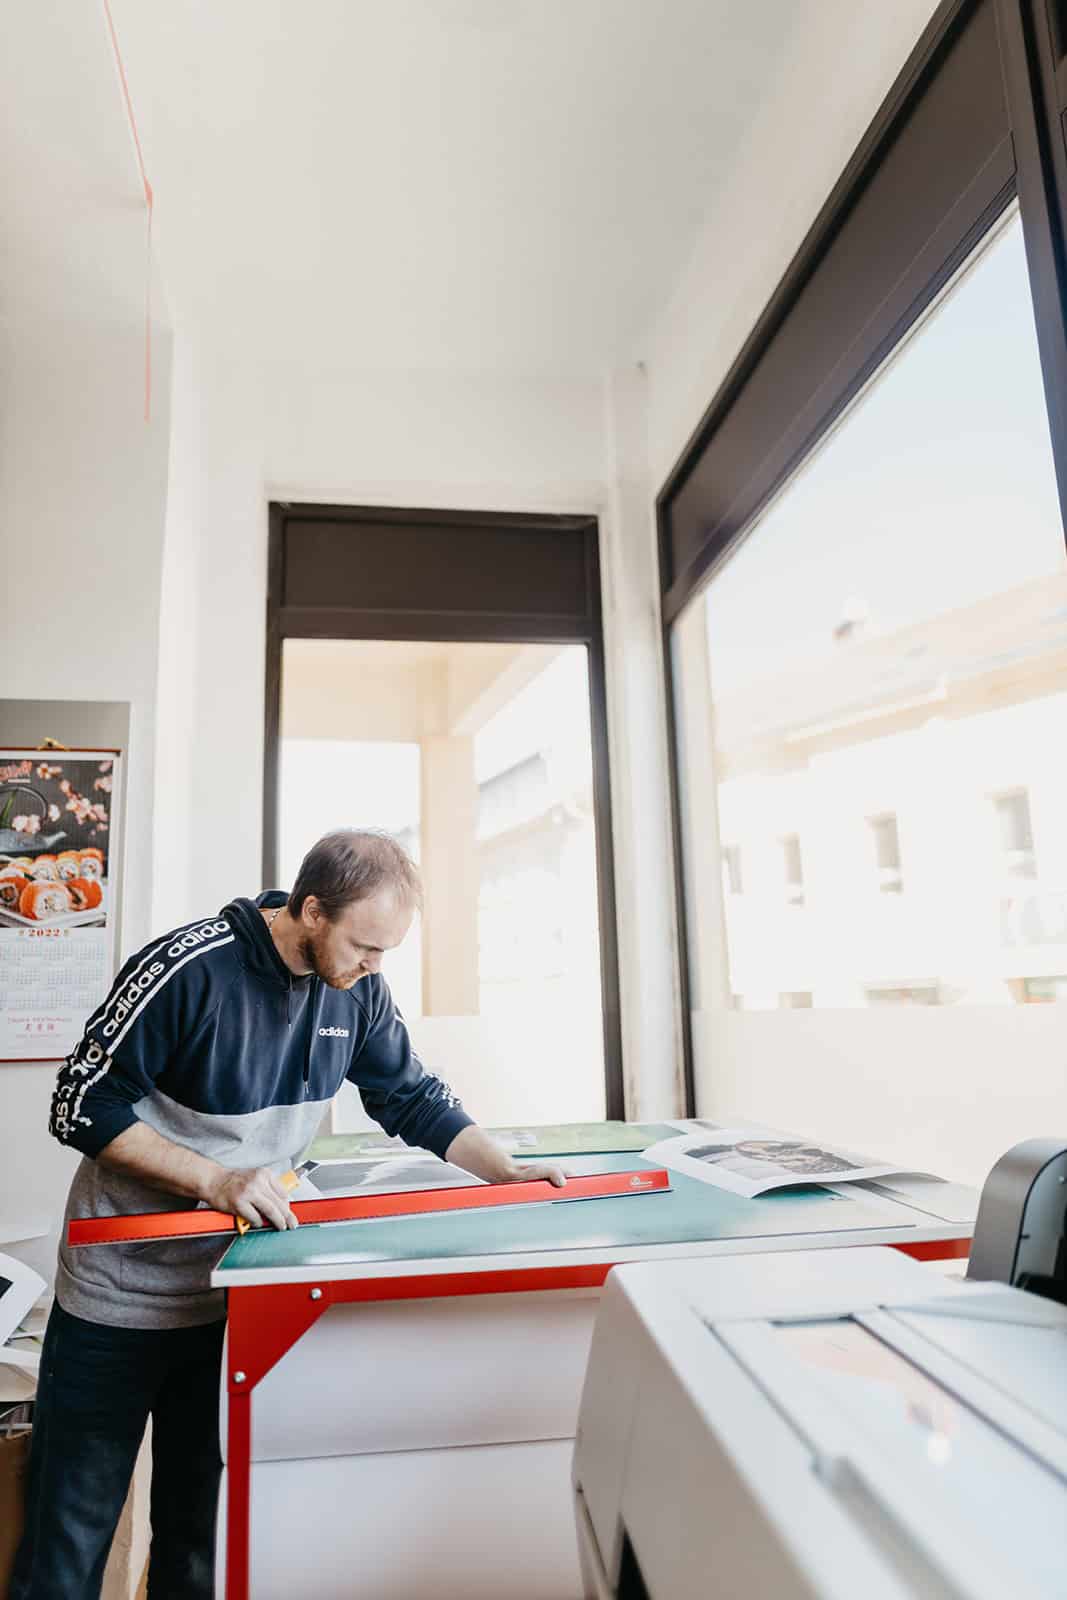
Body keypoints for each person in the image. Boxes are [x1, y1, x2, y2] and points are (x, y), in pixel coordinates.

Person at [11, 829, 564, 1599]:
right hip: (118, 1300)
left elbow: (407, 1095)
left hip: (235, 1295)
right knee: (70, 1532)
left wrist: (500, 1165)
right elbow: (79, 1105)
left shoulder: (357, 990)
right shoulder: (187, 969)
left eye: (386, 952)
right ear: (310, 911)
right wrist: (217, 1179)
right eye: (364, 945)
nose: (374, 966)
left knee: (200, 1529)